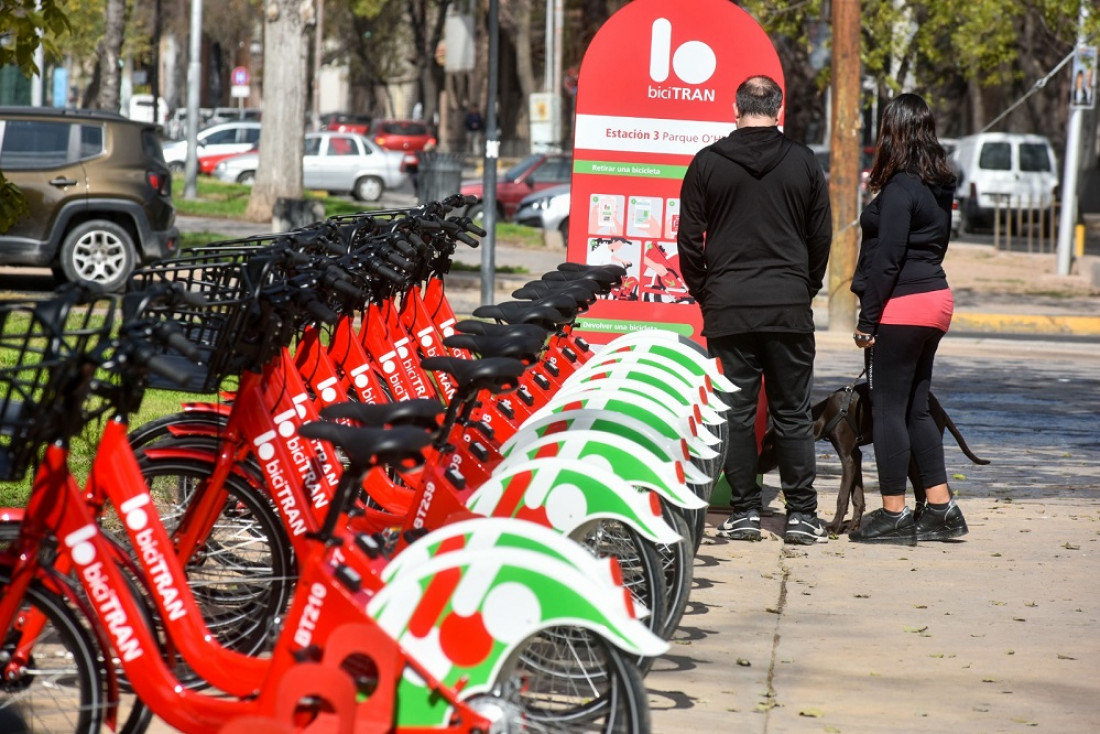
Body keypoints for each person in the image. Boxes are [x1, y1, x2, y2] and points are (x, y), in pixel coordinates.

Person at [677, 75, 832, 545]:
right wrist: (804, 288)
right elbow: (820, 236)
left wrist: (709, 292)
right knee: (793, 411)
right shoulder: (803, 162)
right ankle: (802, 515)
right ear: (779, 111)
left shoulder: (706, 164)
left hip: (729, 306)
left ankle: (744, 511)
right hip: (787, 305)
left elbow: (687, 241)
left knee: (737, 412)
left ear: (734, 107)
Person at [849, 92, 968, 545]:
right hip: (936, 299)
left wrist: (868, 320)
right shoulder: (940, 186)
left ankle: (894, 513)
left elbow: (887, 260)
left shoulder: (901, 189)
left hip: (903, 303)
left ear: (892, 132)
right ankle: (941, 509)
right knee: (916, 407)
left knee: (888, 411)